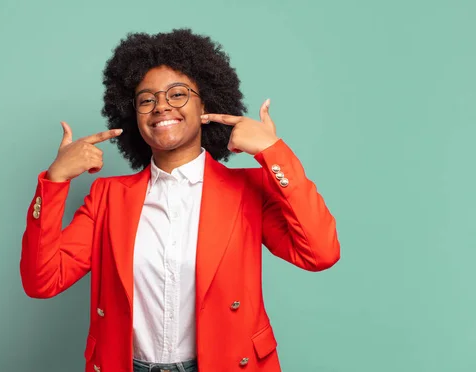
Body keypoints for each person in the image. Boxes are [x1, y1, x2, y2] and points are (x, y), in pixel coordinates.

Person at [20, 28, 340, 372]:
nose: (161, 106)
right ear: (133, 116)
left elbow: (319, 253)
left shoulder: (248, 189)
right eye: (146, 99)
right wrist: (55, 181)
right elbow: (43, 280)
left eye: (177, 94)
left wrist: (273, 153)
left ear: (206, 103)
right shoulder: (107, 196)